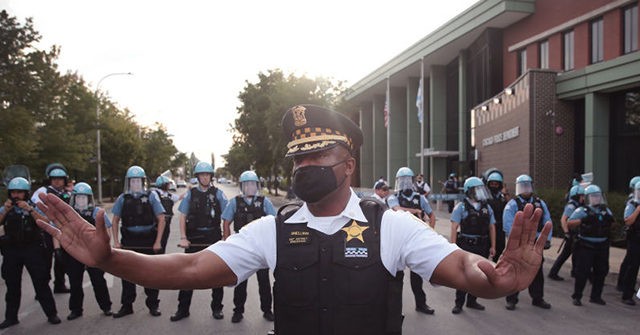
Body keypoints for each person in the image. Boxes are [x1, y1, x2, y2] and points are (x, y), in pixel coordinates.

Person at [36, 104, 551, 335]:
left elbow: (464, 270)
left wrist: (499, 281)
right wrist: (110, 259)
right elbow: (188, 271)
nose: (304, 167)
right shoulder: (272, 230)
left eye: (316, 157)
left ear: (348, 164)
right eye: (298, 158)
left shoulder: (390, 225)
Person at [0, 177, 61, 329]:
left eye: (19, 192)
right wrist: (6, 210)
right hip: (12, 249)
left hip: (32, 249)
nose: (16, 195)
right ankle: (11, 317)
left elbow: (46, 222)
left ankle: (51, 313)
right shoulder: (6, 208)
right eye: (13, 192)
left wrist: (30, 210)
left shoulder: (33, 206)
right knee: (12, 284)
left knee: (40, 282)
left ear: (26, 193)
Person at [171, 161, 228, 321]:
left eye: (207, 174)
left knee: (217, 275)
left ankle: (217, 308)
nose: (204, 177)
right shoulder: (190, 194)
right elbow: (182, 216)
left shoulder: (218, 194)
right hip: (194, 238)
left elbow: (227, 216)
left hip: (213, 237)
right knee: (187, 276)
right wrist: (183, 237)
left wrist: (226, 237)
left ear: (211, 176)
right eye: (201, 175)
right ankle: (183, 309)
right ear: (197, 177)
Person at [111, 165, 166, 318]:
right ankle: (127, 306)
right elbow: (115, 220)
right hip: (129, 240)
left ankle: (153, 305)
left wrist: (158, 241)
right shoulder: (123, 198)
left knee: (151, 275)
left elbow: (161, 219)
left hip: (148, 239)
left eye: (138, 181)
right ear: (129, 183)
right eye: (132, 181)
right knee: (127, 275)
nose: (135, 184)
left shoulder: (151, 196)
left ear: (143, 182)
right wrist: (116, 241)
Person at [221, 170, 276, 323]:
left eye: (253, 184)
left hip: (261, 248)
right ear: (242, 186)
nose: (250, 187)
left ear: (257, 185)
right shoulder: (235, 202)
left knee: (264, 282)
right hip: (242, 249)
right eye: (247, 184)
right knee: (240, 281)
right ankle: (238, 311)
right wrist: (227, 241)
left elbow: (274, 221)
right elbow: (226, 222)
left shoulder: (265, 202)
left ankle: (267, 310)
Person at [387, 166, 437, 315]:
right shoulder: (393, 197)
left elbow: (431, 215)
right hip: (398, 240)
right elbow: (396, 209)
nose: (405, 184)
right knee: (395, 276)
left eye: (407, 180)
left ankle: (421, 304)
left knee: (417, 277)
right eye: (402, 181)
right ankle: (393, 308)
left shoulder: (420, 198)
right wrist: (415, 211)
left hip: (415, 240)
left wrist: (430, 231)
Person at [64, 182, 113, 320]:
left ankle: (106, 306)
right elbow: (61, 230)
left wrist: (107, 247)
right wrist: (58, 249)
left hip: (94, 251)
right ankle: (76, 309)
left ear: (89, 198)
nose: (81, 200)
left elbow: (107, 229)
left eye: (83, 197)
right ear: (74, 198)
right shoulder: (69, 213)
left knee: (98, 281)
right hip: (75, 251)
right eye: (78, 197)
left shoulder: (97, 212)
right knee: (75, 282)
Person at [503, 174, 553, 311]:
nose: (526, 189)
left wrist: (547, 239)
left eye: (528, 186)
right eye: (523, 186)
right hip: (519, 242)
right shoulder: (512, 204)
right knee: (516, 271)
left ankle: (538, 298)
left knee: (537, 271)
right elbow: (507, 224)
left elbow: (548, 220)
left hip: (535, 243)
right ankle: (511, 299)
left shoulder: (539, 203)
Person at [450, 177, 496, 314]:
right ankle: (459, 303)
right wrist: (452, 248)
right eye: (476, 190)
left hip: (482, 244)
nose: (479, 193)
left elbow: (492, 227)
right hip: (466, 245)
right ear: (469, 191)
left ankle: (472, 300)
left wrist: (493, 246)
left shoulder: (486, 207)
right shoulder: (461, 207)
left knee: (479, 274)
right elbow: (454, 227)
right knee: (464, 274)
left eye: (481, 189)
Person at [567, 185, 613, 306]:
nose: (597, 199)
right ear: (588, 198)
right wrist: (583, 220)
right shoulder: (582, 211)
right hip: (586, 245)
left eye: (598, 196)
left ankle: (596, 296)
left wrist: (609, 222)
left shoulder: (605, 210)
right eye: (593, 196)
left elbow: (612, 224)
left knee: (601, 271)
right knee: (582, 272)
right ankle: (577, 296)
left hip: (602, 245)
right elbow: (570, 223)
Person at [31, 163, 71, 293]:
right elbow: (35, 211)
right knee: (45, 262)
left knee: (61, 260)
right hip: (46, 232)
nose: (57, 181)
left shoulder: (67, 193)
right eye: (54, 179)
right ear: (50, 179)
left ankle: (59, 284)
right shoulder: (41, 192)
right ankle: (42, 290)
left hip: (61, 231)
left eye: (60, 179)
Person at [548, 185, 584, 281]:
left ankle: (574, 272)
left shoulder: (578, 205)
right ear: (576, 196)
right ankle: (553, 272)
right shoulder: (571, 206)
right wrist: (567, 233)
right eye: (581, 196)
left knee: (574, 254)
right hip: (572, 234)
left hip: (575, 233)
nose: (583, 198)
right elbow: (564, 219)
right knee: (566, 254)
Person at [617, 175, 640, 291]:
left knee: (630, 261)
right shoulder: (632, 201)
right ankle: (624, 287)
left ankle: (625, 284)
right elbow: (628, 220)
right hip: (634, 236)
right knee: (631, 263)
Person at [153, 175, 182, 252]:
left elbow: (179, 197)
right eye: (167, 184)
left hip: (166, 224)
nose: (169, 186)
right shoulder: (154, 194)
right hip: (156, 224)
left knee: (162, 244)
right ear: (163, 185)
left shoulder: (169, 195)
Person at [485, 171, 508, 261]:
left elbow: (510, 206)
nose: (494, 186)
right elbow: (483, 209)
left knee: (499, 251)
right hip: (488, 227)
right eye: (492, 184)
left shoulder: (502, 197)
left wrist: (505, 194)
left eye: (496, 184)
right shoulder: (485, 196)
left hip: (499, 228)